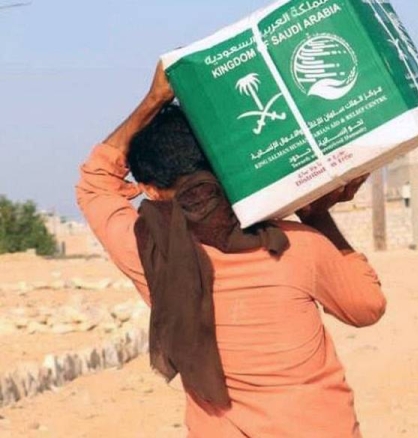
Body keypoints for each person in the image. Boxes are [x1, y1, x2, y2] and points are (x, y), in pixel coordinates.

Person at [76, 62, 386, 438]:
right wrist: (317, 217)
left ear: (150, 189)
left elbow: (96, 182)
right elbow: (366, 308)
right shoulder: (295, 244)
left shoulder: (149, 252)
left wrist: (153, 99)